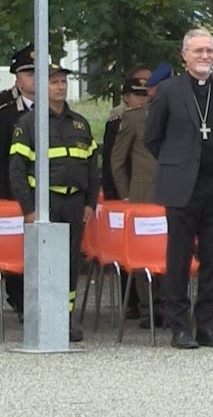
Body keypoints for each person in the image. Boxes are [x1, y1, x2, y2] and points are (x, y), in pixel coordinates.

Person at [143, 28, 213, 350]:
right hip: (182, 188)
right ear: (184, 55)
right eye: (198, 51)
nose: (205, 57)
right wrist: (177, 165)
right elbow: (152, 138)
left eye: (210, 51)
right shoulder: (168, 91)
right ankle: (180, 326)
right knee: (179, 258)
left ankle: (207, 326)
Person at [8, 63, 97, 342]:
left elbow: (92, 167)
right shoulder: (29, 123)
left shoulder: (79, 123)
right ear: (43, 86)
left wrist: (90, 203)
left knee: (70, 263)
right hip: (45, 203)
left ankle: (65, 319)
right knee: (44, 263)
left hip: (74, 203)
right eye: (54, 82)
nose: (60, 87)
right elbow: (17, 170)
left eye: (63, 82)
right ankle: (43, 318)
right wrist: (29, 209)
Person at [111, 76, 163, 327]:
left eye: (148, 91)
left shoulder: (177, 114)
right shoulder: (133, 118)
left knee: (170, 249)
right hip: (142, 194)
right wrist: (126, 195)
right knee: (144, 252)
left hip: (171, 192)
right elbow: (117, 160)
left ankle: (168, 304)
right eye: (141, 93)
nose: (146, 96)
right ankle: (148, 309)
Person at [0, 44, 37, 316]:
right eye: (28, 73)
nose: (35, 78)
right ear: (17, 77)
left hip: (44, 189)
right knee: (15, 242)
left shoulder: (56, 107)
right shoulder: (3, 107)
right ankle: (20, 297)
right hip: (8, 188)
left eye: (39, 73)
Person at [101, 66, 152, 202]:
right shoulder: (116, 123)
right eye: (137, 95)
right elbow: (113, 161)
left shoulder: (151, 120)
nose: (142, 100)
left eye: (145, 95)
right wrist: (115, 194)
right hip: (127, 188)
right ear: (126, 97)